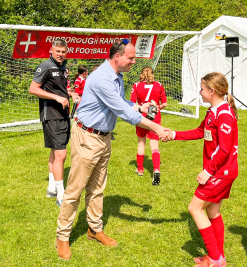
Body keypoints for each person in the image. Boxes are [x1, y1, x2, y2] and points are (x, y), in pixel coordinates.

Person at [55, 39, 170, 260]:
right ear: (117, 57)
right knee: (75, 190)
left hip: (104, 137)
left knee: (98, 188)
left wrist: (139, 105)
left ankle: (94, 229)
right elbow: (123, 112)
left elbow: (121, 102)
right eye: (131, 57)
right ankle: (63, 236)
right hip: (88, 137)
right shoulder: (101, 78)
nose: (134, 62)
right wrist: (157, 126)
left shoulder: (118, 76)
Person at [166, 72, 238, 267]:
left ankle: (215, 259)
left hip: (220, 172)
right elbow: (200, 132)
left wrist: (208, 171)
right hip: (219, 171)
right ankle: (218, 257)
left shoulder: (224, 114)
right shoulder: (212, 111)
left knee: (194, 208)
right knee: (213, 212)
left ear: (212, 91)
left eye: (202, 89)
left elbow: (224, 148)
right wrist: (174, 134)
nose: (200, 92)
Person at [29, 38, 80, 208]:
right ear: (51, 50)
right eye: (57, 51)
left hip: (62, 113)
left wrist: (70, 94)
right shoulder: (45, 66)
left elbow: (60, 88)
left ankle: (51, 188)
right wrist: (57, 97)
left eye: (63, 51)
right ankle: (61, 195)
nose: (60, 54)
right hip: (51, 114)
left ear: (67, 52)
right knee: (61, 154)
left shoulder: (64, 66)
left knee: (55, 151)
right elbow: (33, 89)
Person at [130, 66, 168, 185]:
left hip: (141, 116)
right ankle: (156, 169)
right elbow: (165, 103)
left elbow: (132, 103)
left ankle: (140, 169)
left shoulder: (136, 85)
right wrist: (157, 107)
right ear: (152, 74)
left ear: (141, 74)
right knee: (154, 145)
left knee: (141, 142)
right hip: (154, 117)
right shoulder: (159, 85)